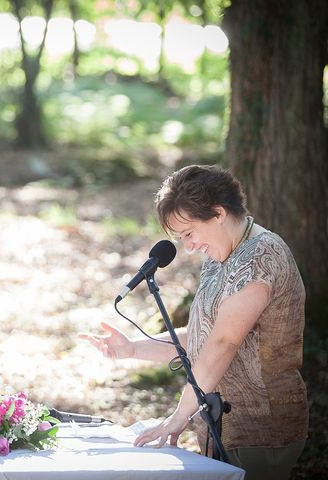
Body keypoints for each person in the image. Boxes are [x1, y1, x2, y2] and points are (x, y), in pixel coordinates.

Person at [81, 165, 308, 480]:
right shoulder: (219, 257)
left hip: (260, 428)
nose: (187, 246)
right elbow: (202, 337)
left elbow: (222, 344)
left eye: (188, 233)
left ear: (218, 214)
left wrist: (178, 417)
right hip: (220, 424)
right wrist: (133, 349)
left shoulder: (260, 259)